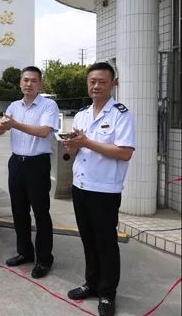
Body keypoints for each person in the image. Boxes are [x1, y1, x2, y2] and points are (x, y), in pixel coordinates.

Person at [62, 62, 135, 316]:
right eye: (92, 81)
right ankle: (91, 284)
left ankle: (107, 293)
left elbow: (124, 152)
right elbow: (76, 150)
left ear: (112, 84)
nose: (96, 86)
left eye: (102, 81)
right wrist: (71, 146)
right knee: (88, 240)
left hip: (105, 190)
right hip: (81, 185)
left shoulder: (121, 114)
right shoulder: (81, 114)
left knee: (105, 243)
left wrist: (86, 142)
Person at [0, 66, 59, 279]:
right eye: (25, 80)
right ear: (20, 83)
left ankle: (44, 259)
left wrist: (14, 124)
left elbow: (43, 132)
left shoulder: (49, 105)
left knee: (40, 213)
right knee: (18, 210)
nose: (28, 84)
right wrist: (1, 126)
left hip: (37, 164)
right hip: (17, 163)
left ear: (40, 84)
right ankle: (24, 252)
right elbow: (2, 129)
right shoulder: (14, 105)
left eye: (33, 80)